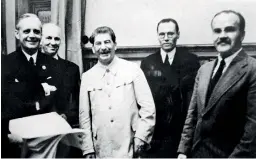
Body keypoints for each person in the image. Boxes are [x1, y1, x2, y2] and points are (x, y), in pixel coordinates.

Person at [177, 10, 256, 158]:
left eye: (230, 29)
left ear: (242, 35)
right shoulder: (204, 70)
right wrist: (183, 151)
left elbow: (252, 131)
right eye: (217, 31)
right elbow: (192, 116)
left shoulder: (252, 69)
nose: (222, 36)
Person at [79, 26, 156, 158]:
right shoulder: (87, 77)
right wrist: (87, 149)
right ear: (93, 49)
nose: (103, 47)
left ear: (115, 45)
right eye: (98, 43)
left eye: (107, 42)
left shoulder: (132, 69)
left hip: (130, 146)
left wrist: (141, 137)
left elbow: (148, 108)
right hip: (102, 148)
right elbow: (84, 117)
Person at [140, 18, 200, 157]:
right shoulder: (147, 62)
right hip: (156, 134)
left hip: (180, 132)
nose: (166, 38)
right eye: (162, 34)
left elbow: (194, 99)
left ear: (178, 34)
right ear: (157, 36)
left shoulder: (191, 61)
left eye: (170, 34)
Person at [2, 13, 58, 158]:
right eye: (26, 31)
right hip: (15, 142)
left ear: (41, 35)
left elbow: (57, 102)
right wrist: (5, 135)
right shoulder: (5, 65)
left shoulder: (54, 65)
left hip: (48, 141)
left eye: (36, 31)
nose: (32, 35)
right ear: (17, 34)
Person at [41, 23, 80, 127]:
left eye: (57, 39)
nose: (53, 43)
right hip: (35, 127)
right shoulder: (28, 66)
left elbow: (77, 103)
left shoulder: (72, 69)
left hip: (63, 127)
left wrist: (67, 116)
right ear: (40, 40)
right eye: (48, 38)